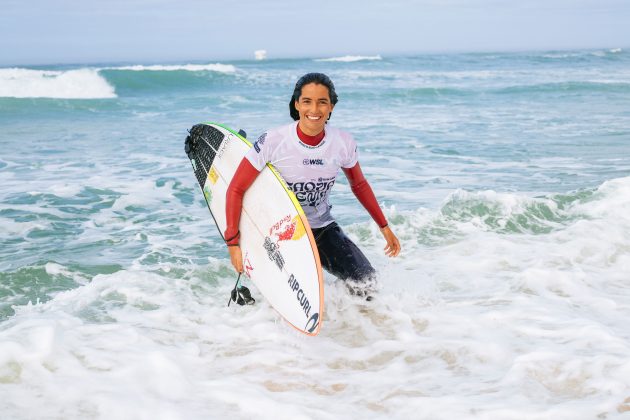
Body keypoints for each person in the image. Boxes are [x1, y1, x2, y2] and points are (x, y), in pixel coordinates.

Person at [224, 72, 400, 298]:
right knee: (296, 295)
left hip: (321, 228)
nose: (314, 110)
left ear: (331, 107)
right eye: (307, 101)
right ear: (297, 104)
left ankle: (351, 323)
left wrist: (384, 227)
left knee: (367, 283)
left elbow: (359, 184)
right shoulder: (273, 141)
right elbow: (236, 189)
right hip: (278, 232)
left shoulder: (342, 143)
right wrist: (233, 244)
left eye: (322, 102)